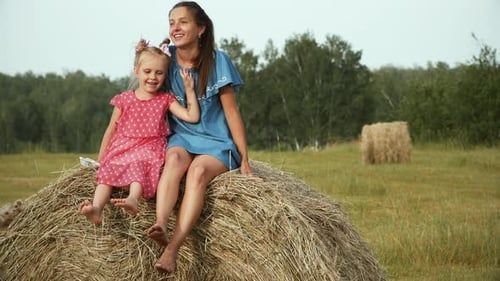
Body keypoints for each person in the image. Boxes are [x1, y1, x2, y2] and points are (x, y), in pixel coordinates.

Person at [146, 1, 254, 273]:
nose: (175, 27)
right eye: (172, 22)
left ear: (201, 28)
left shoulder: (218, 62)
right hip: (182, 137)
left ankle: (172, 250)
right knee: (173, 160)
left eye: (183, 22)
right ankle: (159, 223)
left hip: (217, 143)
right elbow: (143, 84)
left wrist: (245, 161)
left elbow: (232, 114)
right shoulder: (165, 58)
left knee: (197, 172)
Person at [79, 38, 200, 225]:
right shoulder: (124, 99)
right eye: (147, 71)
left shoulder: (165, 99)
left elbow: (192, 116)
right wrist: (101, 159)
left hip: (149, 147)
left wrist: (190, 90)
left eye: (159, 73)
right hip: (123, 146)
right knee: (106, 173)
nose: (153, 77)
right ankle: (96, 208)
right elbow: (111, 129)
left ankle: (133, 200)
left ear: (165, 75)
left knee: (139, 164)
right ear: (136, 71)